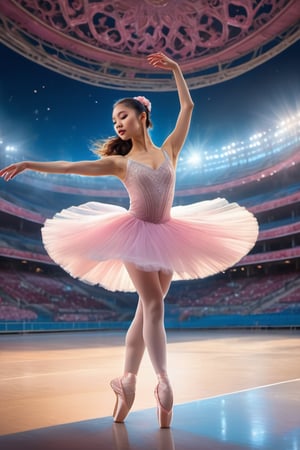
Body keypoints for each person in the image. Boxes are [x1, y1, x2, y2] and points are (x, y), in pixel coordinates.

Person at [0, 52, 258, 428]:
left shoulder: (170, 149)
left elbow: (188, 106)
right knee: (154, 305)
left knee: (145, 312)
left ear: (142, 116)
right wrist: (28, 163)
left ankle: (128, 380)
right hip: (135, 234)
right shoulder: (120, 163)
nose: (117, 124)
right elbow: (72, 166)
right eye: (114, 120)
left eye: (122, 116)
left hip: (170, 234)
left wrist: (176, 70)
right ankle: (165, 382)